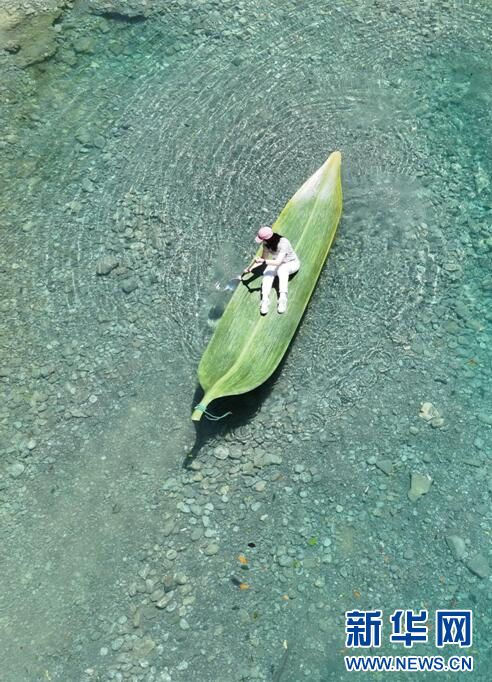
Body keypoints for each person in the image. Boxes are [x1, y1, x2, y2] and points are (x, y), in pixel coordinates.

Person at [243, 225, 300, 314]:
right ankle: (265, 300)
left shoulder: (283, 243)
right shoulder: (266, 244)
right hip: (277, 262)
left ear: (268, 239)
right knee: (267, 272)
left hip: (291, 263)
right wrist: (250, 269)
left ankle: (282, 298)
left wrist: (263, 261)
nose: (262, 241)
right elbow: (263, 258)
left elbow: (276, 262)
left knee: (282, 270)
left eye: (262, 239)